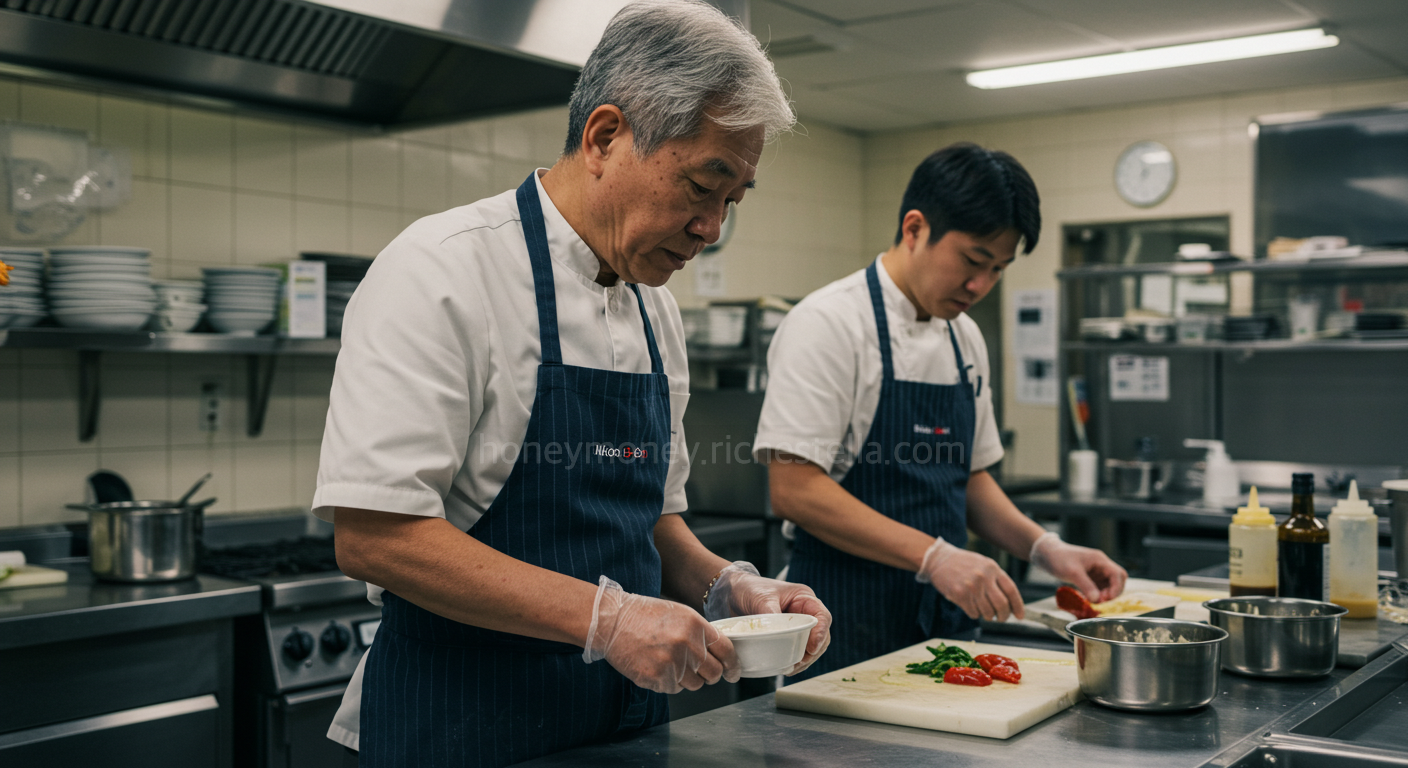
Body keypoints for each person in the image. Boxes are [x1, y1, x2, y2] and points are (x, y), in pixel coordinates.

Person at [313, 2, 832, 765]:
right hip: (461, 728)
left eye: (732, 201)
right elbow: (374, 538)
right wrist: (607, 619)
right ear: (605, 137)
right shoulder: (443, 270)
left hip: (624, 732)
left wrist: (729, 589)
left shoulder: (657, 311)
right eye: (700, 186)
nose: (711, 228)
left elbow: (649, 521)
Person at [753, 143, 1125, 679]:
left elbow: (970, 480)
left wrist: (1047, 549)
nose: (981, 286)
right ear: (914, 228)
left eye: (998, 269)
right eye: (973, 261)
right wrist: (937, 558)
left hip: (943, 630)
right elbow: (795, 488)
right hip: (841, 621)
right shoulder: (829, 324)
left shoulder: (964, 338)